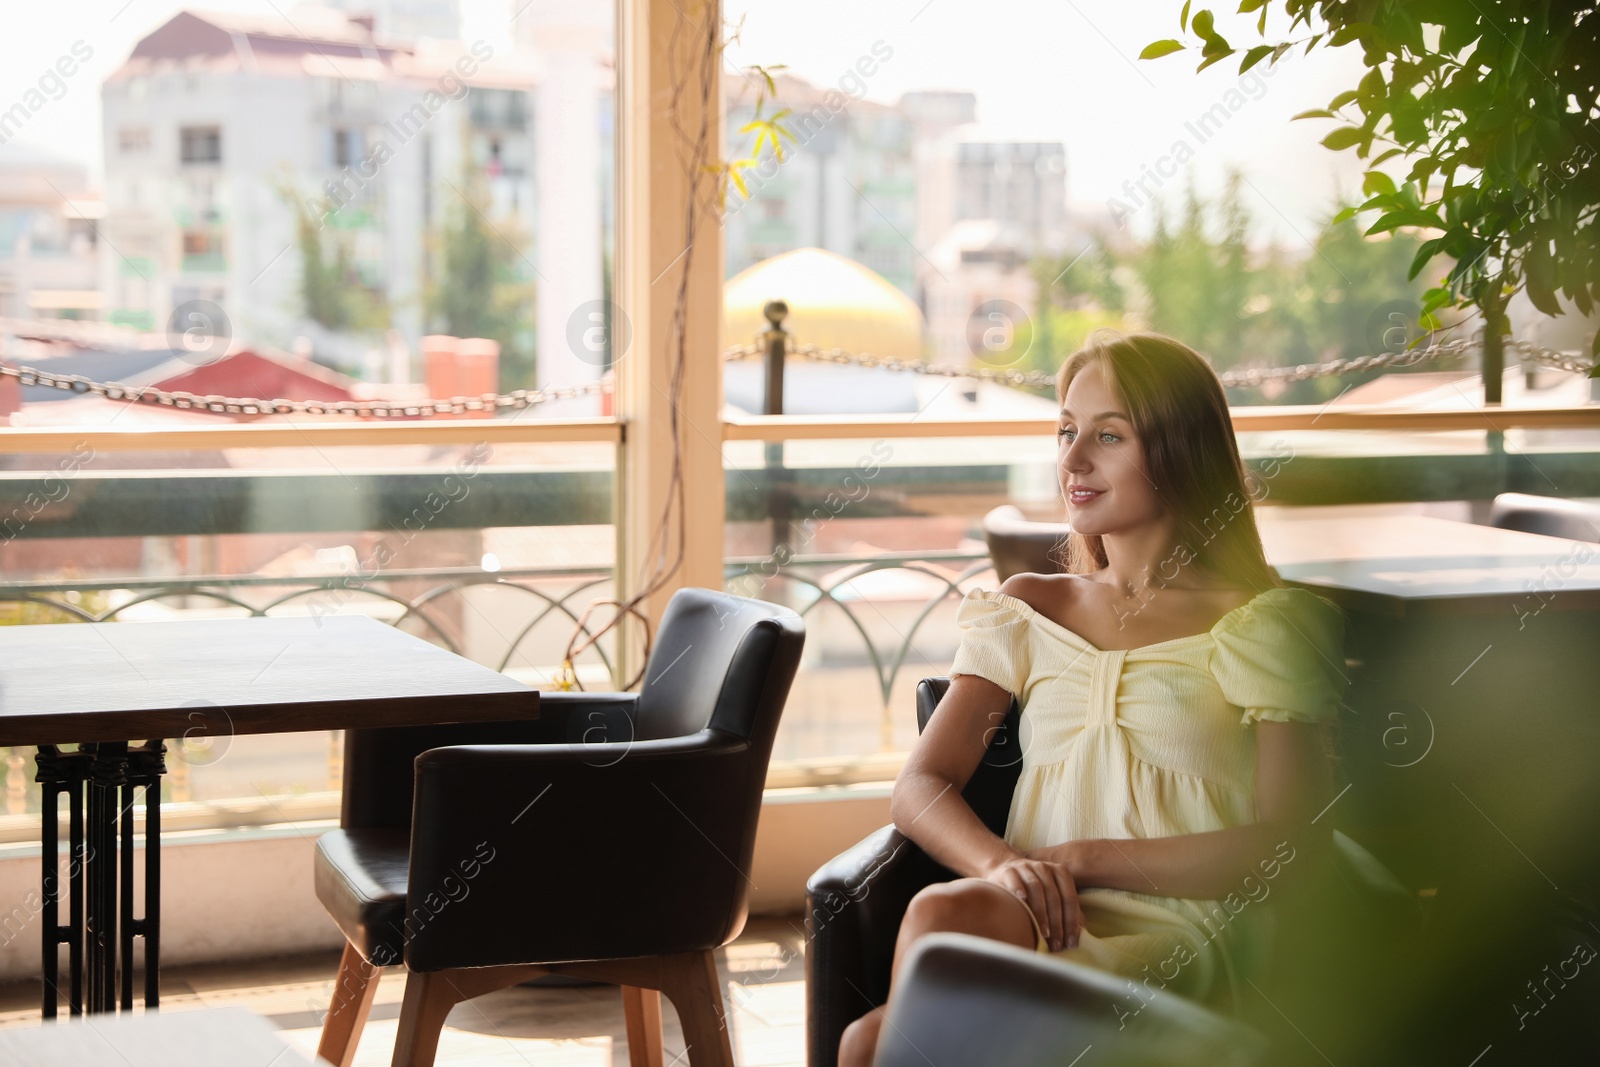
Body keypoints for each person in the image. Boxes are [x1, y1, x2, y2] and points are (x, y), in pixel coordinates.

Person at [837, 331, 1348, 1065]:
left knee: (867, 1043)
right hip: (1041, 906)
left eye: (1108, 435)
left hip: (1179, 932)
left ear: (1179, 449)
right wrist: (1002, 867)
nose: (1072, 460)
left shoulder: (1261, 623)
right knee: (937, 910)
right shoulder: (1027, 608)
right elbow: (921, 783)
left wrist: (1083, 858)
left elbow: (1289, 845)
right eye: (1067, 431)